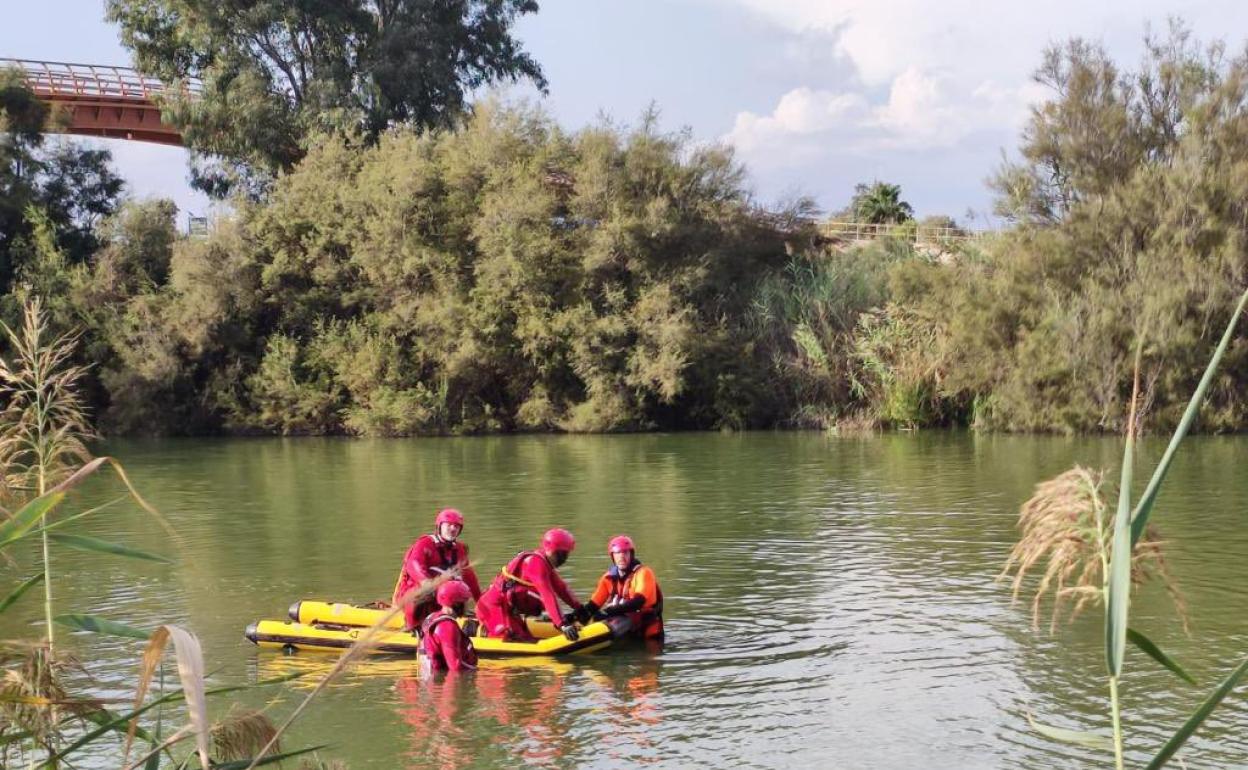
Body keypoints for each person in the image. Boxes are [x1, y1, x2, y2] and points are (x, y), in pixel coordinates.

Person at [476, 528, 583, 642]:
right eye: (565, 554)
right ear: (555, 551)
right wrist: (562, 624)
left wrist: (580, 608)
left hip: (508, 610)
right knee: (511, 639)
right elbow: (548, 596)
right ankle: (480, 631)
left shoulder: (545, 563)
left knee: (525, 638)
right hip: (493, 608)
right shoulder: (536, 564)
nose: (566, 558)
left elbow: (562, 589)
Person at [393, 508, 482, 632]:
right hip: (415, 592)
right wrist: (426, 582)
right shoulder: (424, 544)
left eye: (456, 526)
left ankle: (453, 623)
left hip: (443, 595)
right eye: (449, 525)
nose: (452, 529)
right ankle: (412, 627)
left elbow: (469, 578)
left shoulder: (460, 549)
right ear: (439, 526)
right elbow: (414, 565)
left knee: (460, 590)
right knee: (423, 594)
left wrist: (480, 602)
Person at [578, 535, 663, 640]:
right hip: (624, 628)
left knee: (616, 618)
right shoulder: (608, 578)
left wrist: (607, 612)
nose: (621, 557)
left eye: (625, 553)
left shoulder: (644, 573)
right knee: (594, 616)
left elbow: (638, 602)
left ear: (631, 555)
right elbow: (593, 606)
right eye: (617, 553)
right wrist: (573, 616)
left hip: (647, 633)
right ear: (612, 556)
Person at [421, 580, 478, 672]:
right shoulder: (447, 627)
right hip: (440, 682)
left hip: (430, 678)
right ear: (456, 604)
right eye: (465, 601)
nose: (467, 606)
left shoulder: (432, 617)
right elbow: (455, 668)